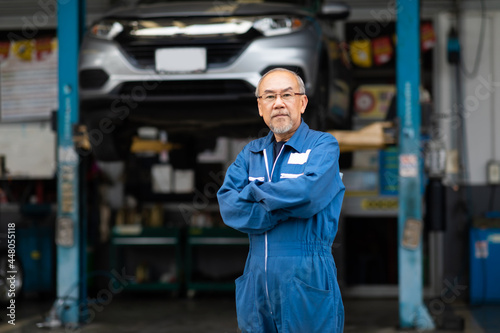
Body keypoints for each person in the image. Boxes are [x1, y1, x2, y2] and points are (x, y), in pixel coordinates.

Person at [217, 68, 346, 333]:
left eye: (287, 95)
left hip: (306, 272)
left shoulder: (323, 146)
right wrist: (281, 210)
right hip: (256, 280)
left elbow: (309, 195)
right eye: (269, 97)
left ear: (303, 102)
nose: (278, 103)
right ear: (260, 106)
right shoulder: (250, 153)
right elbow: (229, 206)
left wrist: (254, 192)